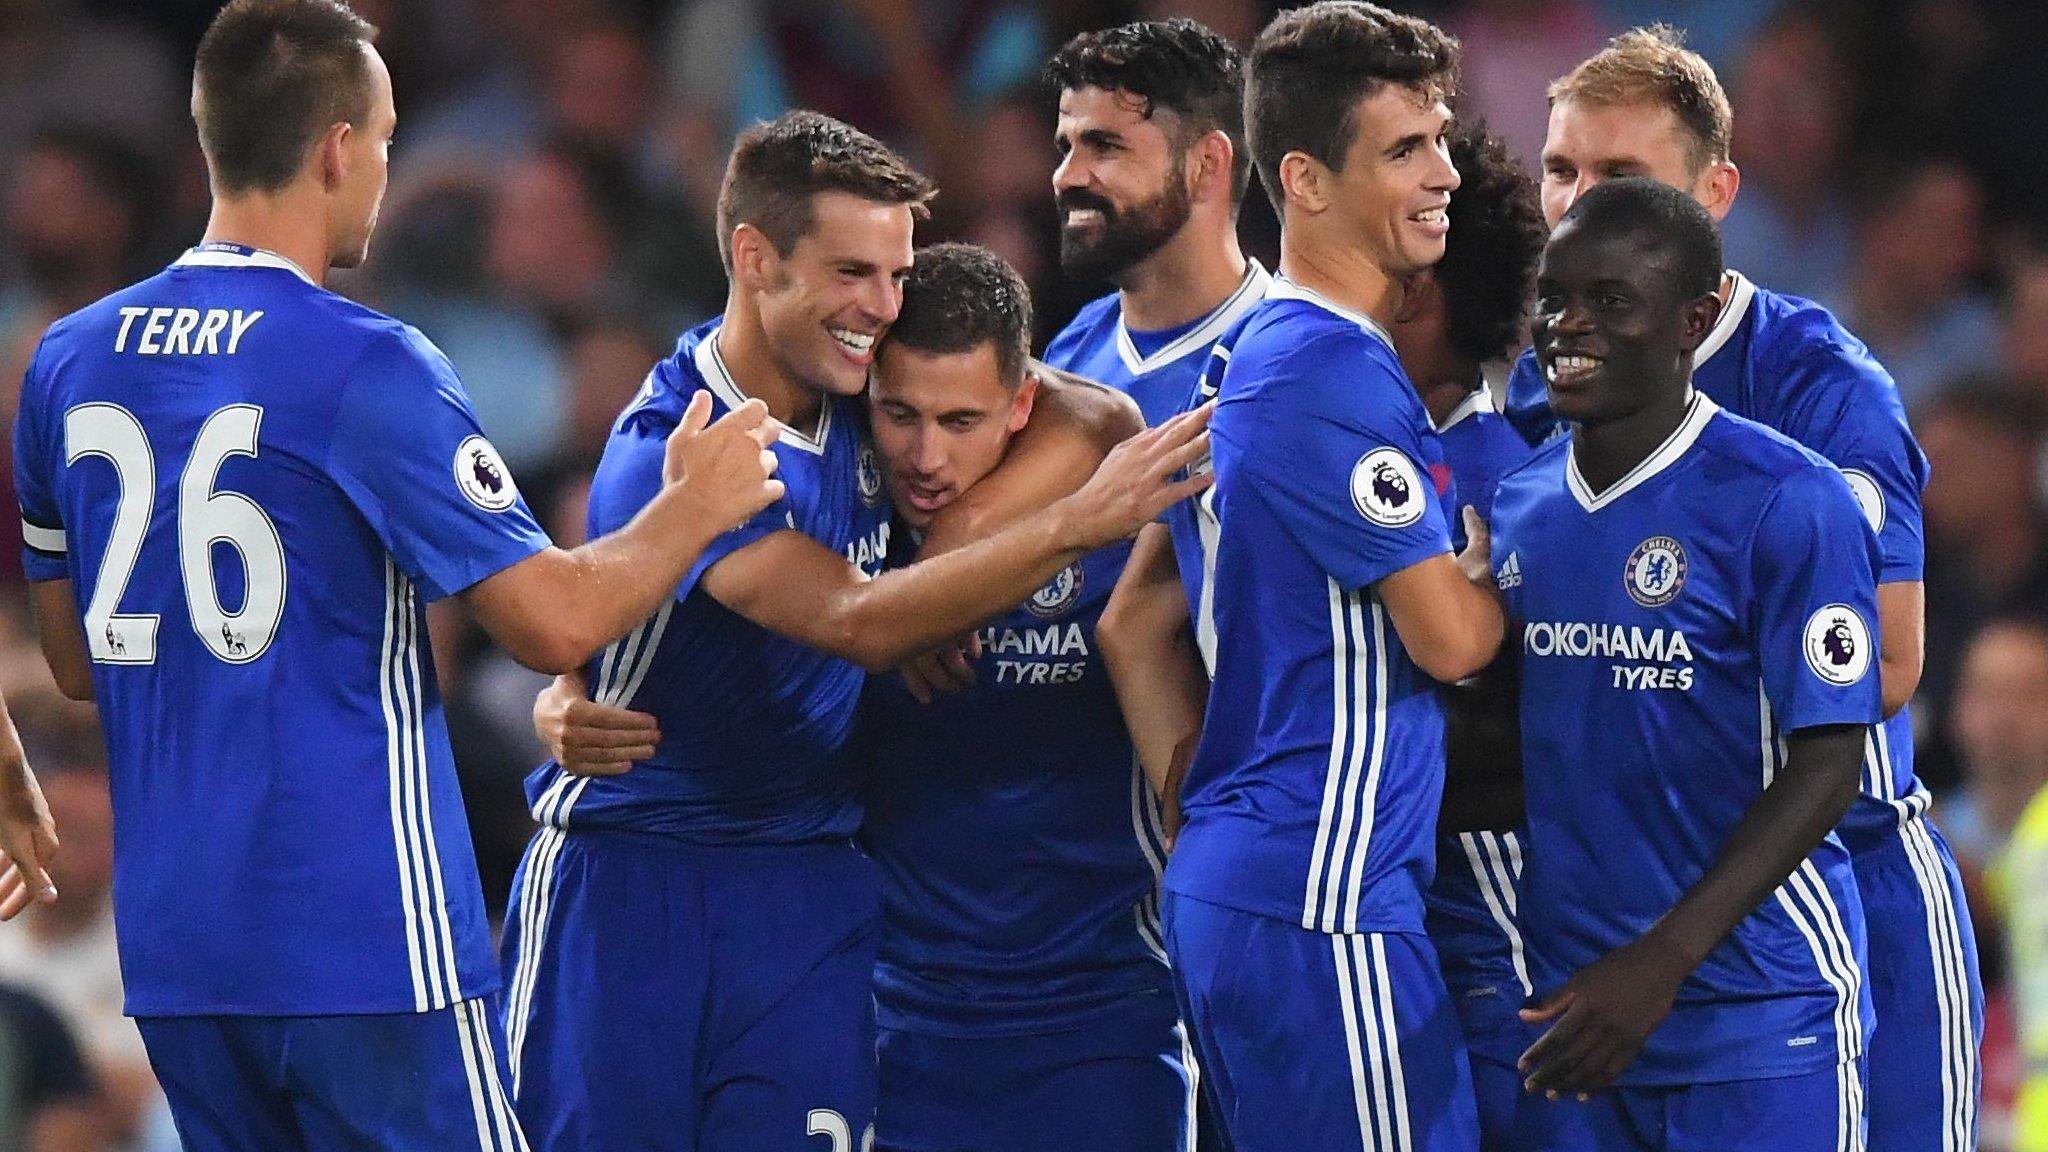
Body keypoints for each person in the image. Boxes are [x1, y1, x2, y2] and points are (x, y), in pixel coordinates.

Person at [6, 1, 788, 1148]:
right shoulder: (364, 360)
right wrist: (696, 506)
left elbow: (78, 662)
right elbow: (552, 620)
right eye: (380, 138)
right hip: (360, 932)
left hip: (180, 950)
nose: (383, 166)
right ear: (333, 148)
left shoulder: (67, 361)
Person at [502, 112, 1210, 1151]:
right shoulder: (681, 449)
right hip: (635, 881)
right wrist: (1070, 526)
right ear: (754, 258)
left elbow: (1079, 414)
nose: (881, 308)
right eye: (851, 273)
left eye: (893, 274)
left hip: (810, 892)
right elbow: (850, 619)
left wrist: (940, 561)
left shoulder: (868, 402)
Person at [1502, 29, 1980, 1151]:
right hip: (1629, 909)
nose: (1576, 199)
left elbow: (1889, 665)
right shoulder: (1543, 383)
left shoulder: (1816, 386)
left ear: (1713, 193)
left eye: (1618, 177)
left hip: (1838, 883)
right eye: (1560, 170)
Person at [1114, 5, 1506, 1147]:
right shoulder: (1325, 372)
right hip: (1318, 899)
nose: (1442, 174)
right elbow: (1452, 643)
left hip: (1265, 885)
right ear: (1304, 179)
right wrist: (1484, 579)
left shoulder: (1270, 351)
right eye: (1403, 150)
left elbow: (1139, 617)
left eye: (1437, 139)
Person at [1494, 177, 1876, 1149]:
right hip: (1578, 1020)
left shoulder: (1788, 498)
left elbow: (1831, 760)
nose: (1565, 325)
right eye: (1552, 298)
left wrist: (1661, 960)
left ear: (1691, 320)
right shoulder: (1515, 506)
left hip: (1755, 1015)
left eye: (1608, 301)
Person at [1382, 124, 1549, 1152]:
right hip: (1398, 894)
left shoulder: (1505, 487)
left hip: (1487, 913)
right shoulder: (1340, 442)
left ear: (1419, 296)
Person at [1039, 18, 1271, 428]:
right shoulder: (1071, 352)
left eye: (1104, 146)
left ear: (1206, 164)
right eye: (1066, 147)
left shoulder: (1295, 357)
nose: (1064, 176)